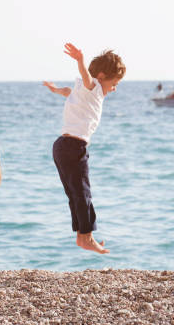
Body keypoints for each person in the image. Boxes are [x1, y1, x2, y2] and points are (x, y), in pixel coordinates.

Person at [43, 43, 126, 254]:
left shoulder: (82, 91)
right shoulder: (93, 87)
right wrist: (80, 60)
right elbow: (87, 78)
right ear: (101, 77)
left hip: (61, 147)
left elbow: (67, 91)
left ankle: (82, 236)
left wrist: (55, 89)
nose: (115, 88)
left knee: (75, 193)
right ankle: (86, 236)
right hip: (73, 147)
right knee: (82, 192)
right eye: (114, 83)